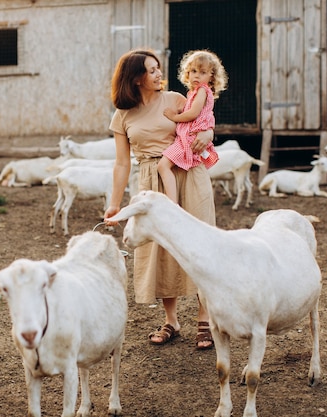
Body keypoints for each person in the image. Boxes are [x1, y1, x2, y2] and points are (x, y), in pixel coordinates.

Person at [104, 48, 217, 350]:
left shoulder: (176, 100)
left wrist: (208, 136)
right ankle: (172, 320)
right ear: (136, 78)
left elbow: (202, 121)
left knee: (198, 243)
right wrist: (115, 205)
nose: (158, 74)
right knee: (162, 248)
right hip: (151, 178)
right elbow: (121, 164)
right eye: (151, 70)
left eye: (158, 69)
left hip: (188, 172)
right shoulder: (123, 115)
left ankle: (205, 319)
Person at [157, 49, 227, 203]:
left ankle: (171, 202)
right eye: (193, 71)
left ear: (211, 77)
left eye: (202, 72)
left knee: (163, 166)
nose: (196, 75)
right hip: (191, 136)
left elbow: (193, 113)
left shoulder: (202, 91)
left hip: (189, 137)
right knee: (170, 166)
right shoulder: (193, 93)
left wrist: (174, 117)